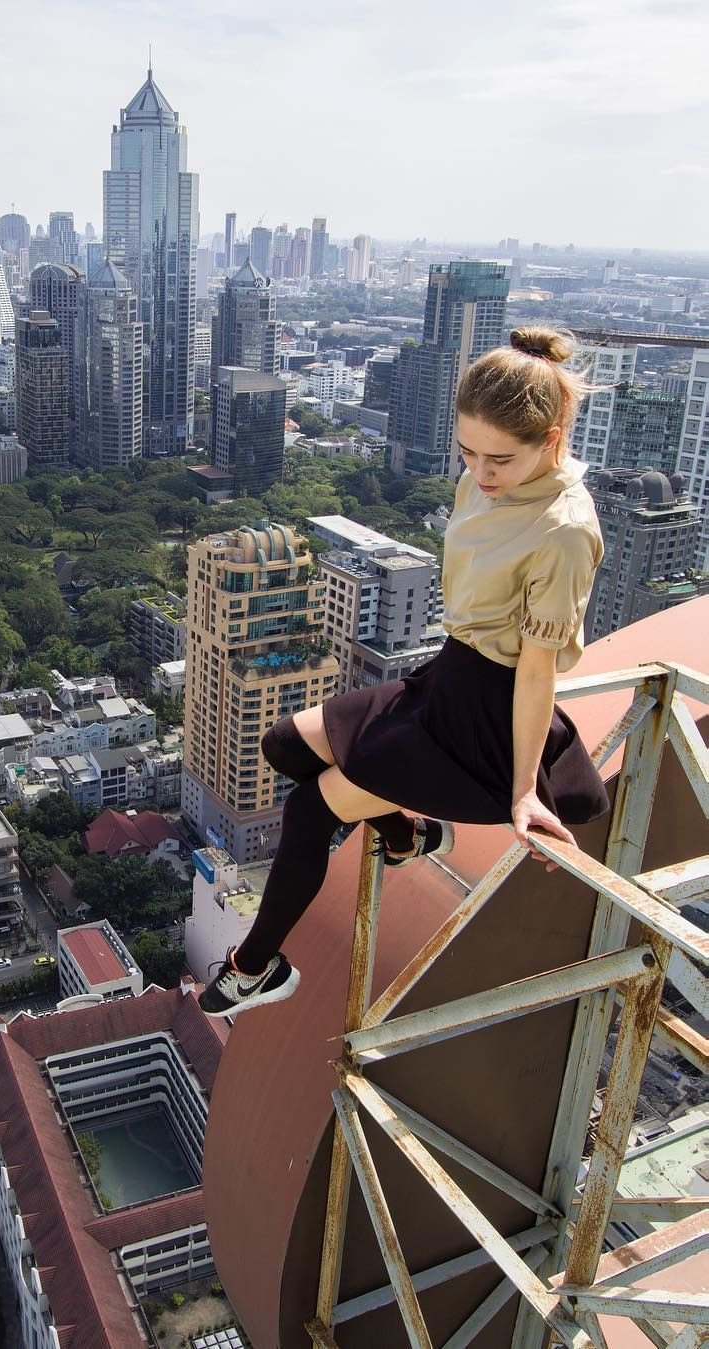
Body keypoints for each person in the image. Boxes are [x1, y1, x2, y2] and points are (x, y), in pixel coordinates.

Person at [199, 326, 610, 1018]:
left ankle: (253, 966)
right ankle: (404, 834)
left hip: (489, 719)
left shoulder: (564, 529)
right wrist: (485, 471)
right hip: (446, 676)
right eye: (469, 452)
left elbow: (537, 673)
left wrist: (521, 792)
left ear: (553, 437)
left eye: (501, 459)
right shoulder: (481, 481)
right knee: (282, 745)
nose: (481, 473)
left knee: (310, 808)